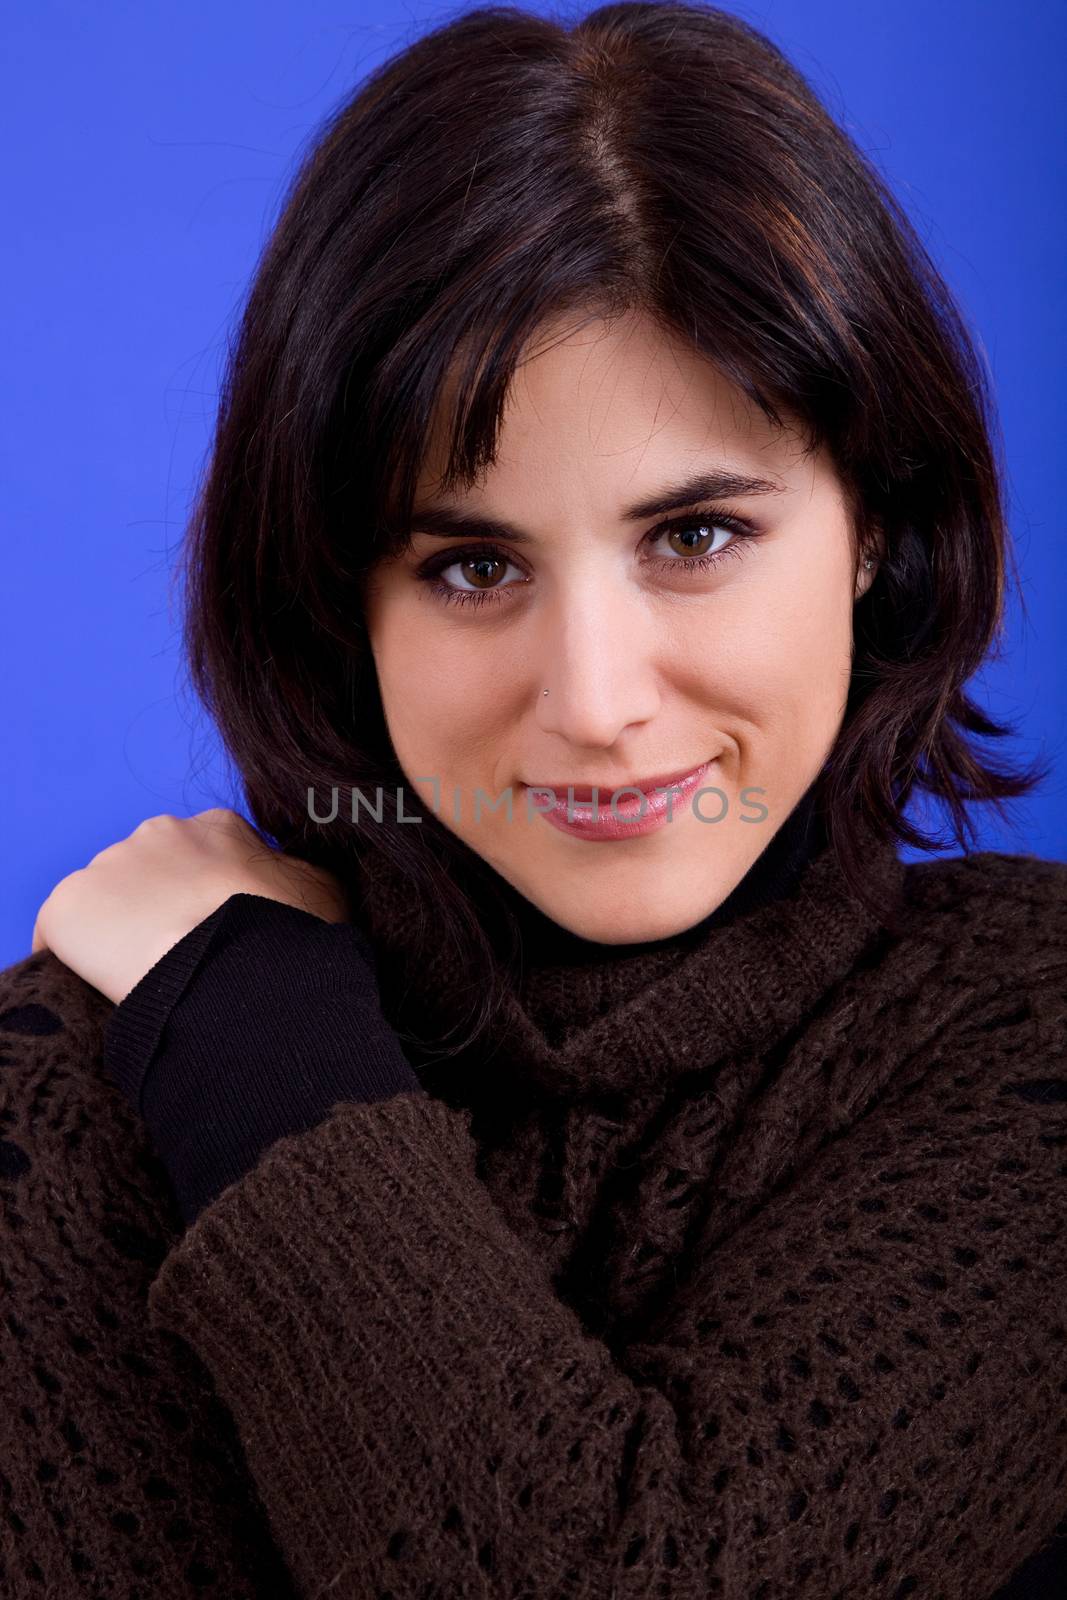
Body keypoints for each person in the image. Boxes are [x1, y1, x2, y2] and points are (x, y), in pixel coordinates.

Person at [4, 2, 1066, 1595]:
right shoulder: (67, 1097)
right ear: (338, 606)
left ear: (874, 528)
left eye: (695, 537)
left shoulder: (1031, 1030)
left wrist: (257, 1046)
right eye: (473, 565)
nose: (595, 702)